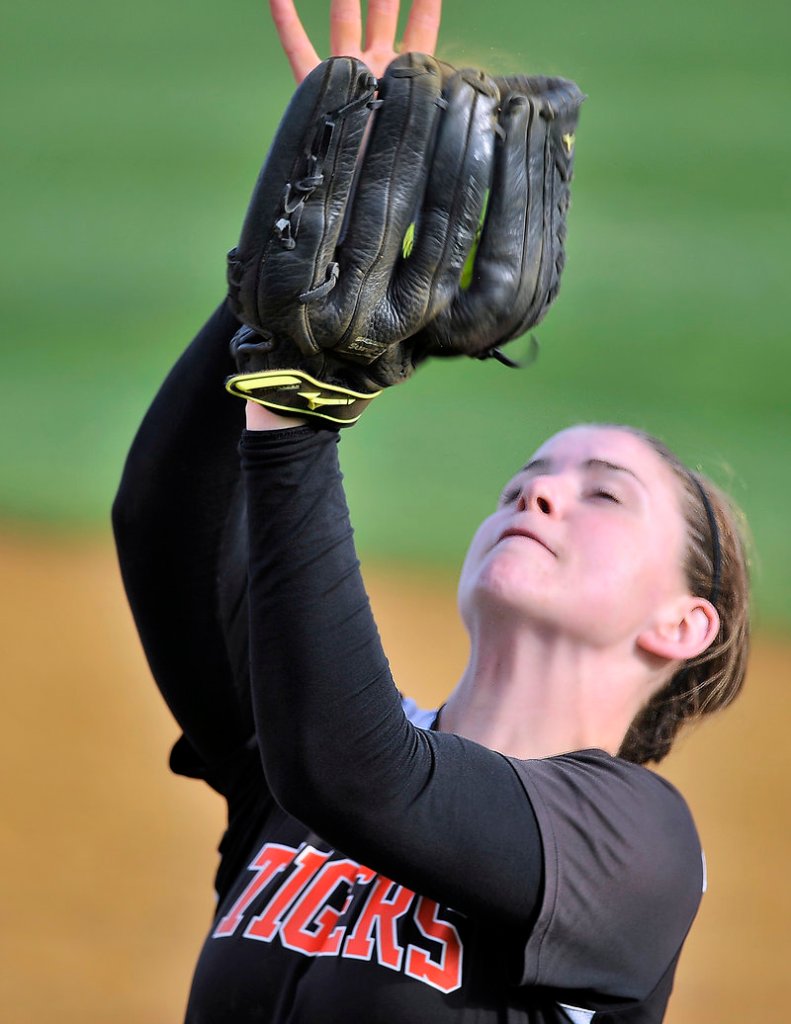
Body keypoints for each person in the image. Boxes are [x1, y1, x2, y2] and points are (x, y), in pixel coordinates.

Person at [112, 2, 750, 1021]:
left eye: (602, 494)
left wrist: (300, 406)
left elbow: (357, 773)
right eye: (530, 474)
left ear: (681, 624)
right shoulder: (301, 754)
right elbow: (165, 529)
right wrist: (286, 265)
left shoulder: (631, 847)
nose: (534, 491)